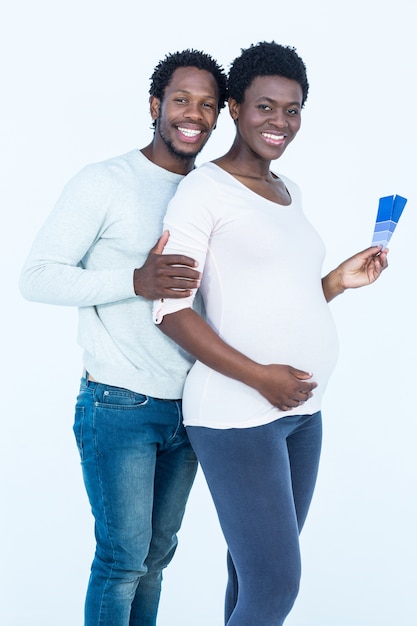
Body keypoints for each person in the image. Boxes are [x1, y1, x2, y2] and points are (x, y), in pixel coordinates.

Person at [153, 41, 389, 626]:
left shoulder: (290, 191)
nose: (280, 122)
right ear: (234, 107)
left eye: (293, 109)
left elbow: (276, 296)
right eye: (265, 107)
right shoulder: (203, 191)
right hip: (237, 412)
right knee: (277, 584)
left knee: (252, 575)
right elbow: (172, 310)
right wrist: (261, 378)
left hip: (301, 413)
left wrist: (334, 281)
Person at [19, 49, 228, 626]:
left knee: (156, 558)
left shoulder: (212, 190)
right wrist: (135, 280)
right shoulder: (106, 181)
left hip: (192, 410)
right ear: (155, 105)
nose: (194, 114)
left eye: (207, 104)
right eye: (181, 99)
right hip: (119, 403)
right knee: (121, 562)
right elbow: (35, 278)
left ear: (219, 118)